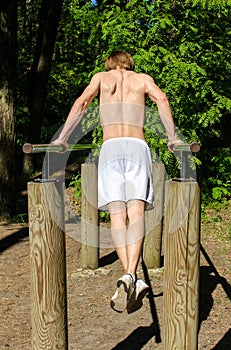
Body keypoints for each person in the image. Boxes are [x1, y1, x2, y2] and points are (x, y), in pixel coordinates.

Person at [52, 50, 182, 313]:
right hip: (137, 146)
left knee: (116, 215)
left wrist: (62, 138)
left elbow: (81, 103)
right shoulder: (143, 79)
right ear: (129, 63)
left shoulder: (100, 78)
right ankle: (131, 274)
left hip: (110, 147)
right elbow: (162, 99)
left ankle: (128, 275)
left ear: (109, 63)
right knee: (136, 213)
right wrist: (172, 137)